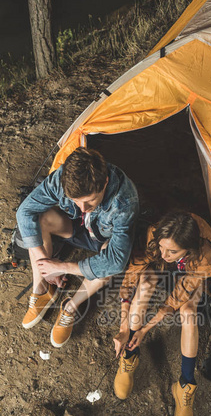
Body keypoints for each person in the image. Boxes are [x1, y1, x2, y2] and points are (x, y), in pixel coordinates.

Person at [113, 211, 211, 416]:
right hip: (162, 273)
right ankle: (129, 355)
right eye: (162, 248)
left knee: (189, 311)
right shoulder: (156, 235)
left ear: (188, 249)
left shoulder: (207, 255)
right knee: (144, 283)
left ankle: (184, 384)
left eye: (172, 251)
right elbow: (134, 270)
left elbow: (178, 296)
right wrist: (124, 328)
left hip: (188, 275)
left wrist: (146, 329)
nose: (164, 254)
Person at [16, 147, 139, 347]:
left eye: (90, 200)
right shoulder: (62, 178)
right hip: (74, 227)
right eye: (75, 201)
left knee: (108, 263)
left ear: (105, 182)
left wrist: (62, 267)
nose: (83, 208)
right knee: (41, 219)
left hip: (101, 238)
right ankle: (42, 288)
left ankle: (70, 307)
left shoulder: (125, 201)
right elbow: (25, 211)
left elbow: (116, 262)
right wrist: (44, 265)